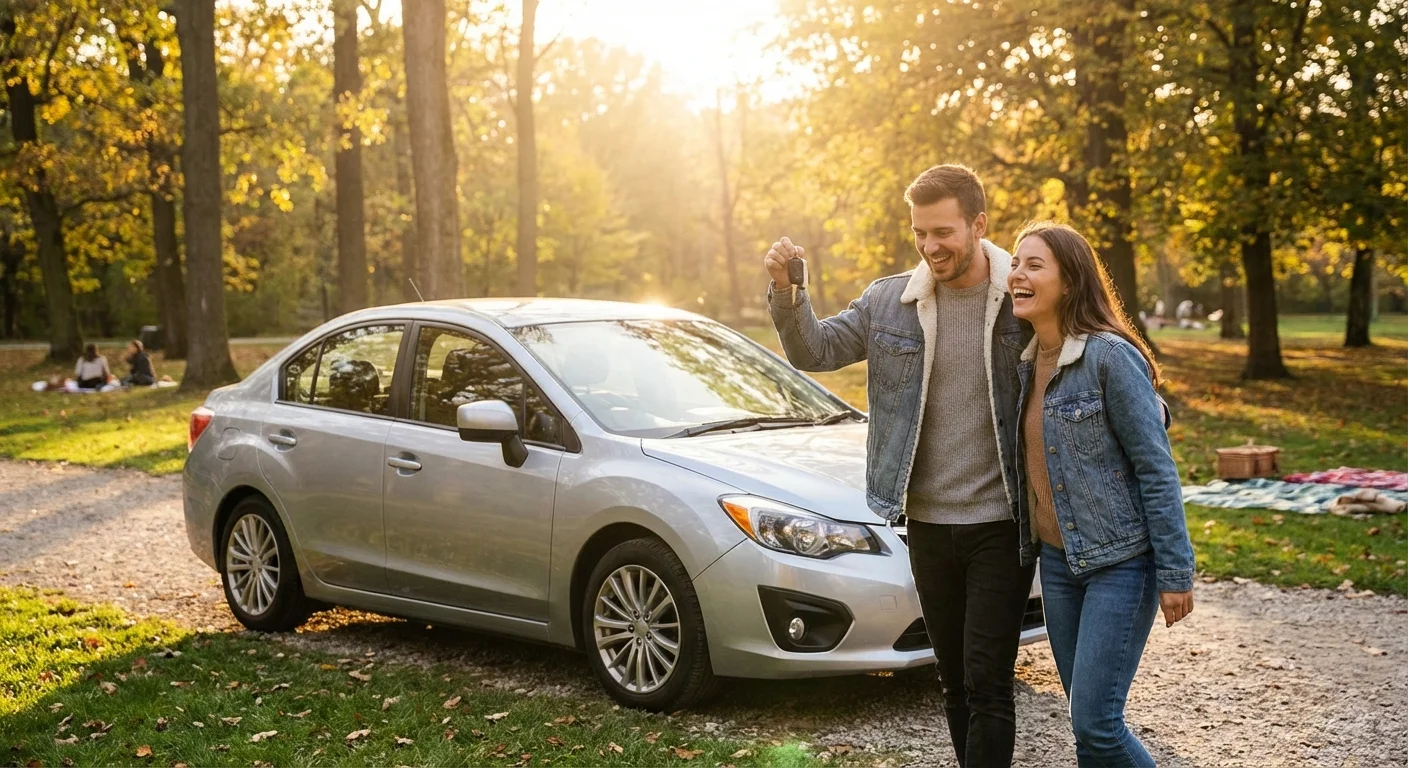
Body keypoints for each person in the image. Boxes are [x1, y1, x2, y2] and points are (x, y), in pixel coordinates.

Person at [765, 164, 1035, 768]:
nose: (930, 246)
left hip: (1002, 521)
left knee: (988, 679)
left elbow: (1086, 345)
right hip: (928, 525)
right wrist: (788, 291)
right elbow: (816, 350)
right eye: (920, 233)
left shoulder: (1020, 297)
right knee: (954, 680)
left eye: (943, 232)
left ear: (978, 224)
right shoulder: (890, 301)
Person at [1007, 221, 1196, 767]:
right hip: (1059, 565)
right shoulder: (1023, 365)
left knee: (1098, 722)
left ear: (1069, 282)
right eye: (1016, 263)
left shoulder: (1109, 357)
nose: (1018, 274)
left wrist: (1175, 572)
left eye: (1035, 265)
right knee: (1087, 726)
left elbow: (1155, 468)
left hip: (1121, 564)